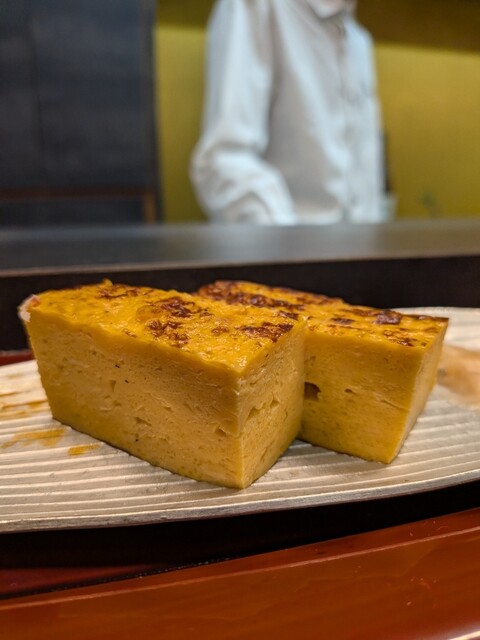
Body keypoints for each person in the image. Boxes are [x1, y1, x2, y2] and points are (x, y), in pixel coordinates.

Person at [190, 0, 386, 225]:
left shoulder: (359, 41)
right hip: (285, 241)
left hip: (357, 243)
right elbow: (224, 160)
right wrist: (286, 240)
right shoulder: (256, 6)